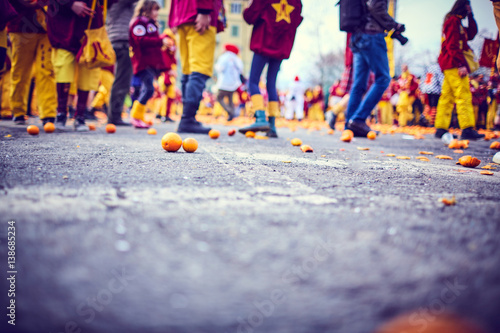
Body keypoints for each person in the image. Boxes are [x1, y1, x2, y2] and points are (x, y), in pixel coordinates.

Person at [238, 0, 303, 138]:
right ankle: (272, 125)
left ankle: (260, 118)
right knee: (271, 83)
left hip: (263, 42)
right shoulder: (297, 2)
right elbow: (296, 21)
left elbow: (250, 17)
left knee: (253, 81)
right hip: (281, 46)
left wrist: (248, 5)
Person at [344, 0, 403, 137]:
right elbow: (375, 6)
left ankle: (350, 125)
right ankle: (358, 120)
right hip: (372, 36)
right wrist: (394, 25)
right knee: (383, 78)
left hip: (358, 37)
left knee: (358, 84)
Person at [169, 0, 225, 134]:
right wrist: (204, 10)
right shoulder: (202, 11)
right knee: (200, 70)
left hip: (182, 15)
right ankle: (188, 119)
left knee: (188, 71)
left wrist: (173, 19)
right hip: (199, 13)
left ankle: (187, 118)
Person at [47, 0, 103, 131]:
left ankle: (80, 115)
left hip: (90, 28)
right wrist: (69, 4)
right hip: (63, 26)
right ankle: (61, 113)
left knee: (87, 72)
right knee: (63, 68)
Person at [434, 0, 484, 140]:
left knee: (447, 97)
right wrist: (461, 64)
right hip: (454, 64)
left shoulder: (457, 22)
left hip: (450, 64)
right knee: (463, 95)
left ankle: (441, 128)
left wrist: (470, 16)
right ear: (463, 6)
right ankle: (467, 129)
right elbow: (452, 45)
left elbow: (472, 33)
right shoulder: (453, 21)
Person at [8, 0, 58, 126]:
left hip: (47, 28)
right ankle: (18, 110)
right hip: (21, 26)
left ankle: (48, 113)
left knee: (47, 70)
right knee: (20, 71)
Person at [129, 0, 170, 129]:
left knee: (147, 89)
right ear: (146, 9)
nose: (157, 13)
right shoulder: (139, 22)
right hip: (143, 62)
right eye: (154, 10)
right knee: (148, 89)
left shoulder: (150, 24)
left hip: (150, 63)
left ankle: (139, 116)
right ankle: (135, 116)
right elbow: (140, 40)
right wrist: (160, 40)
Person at [106, 0, 137, 126]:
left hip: (117, 40)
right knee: (122, 80)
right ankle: (114, 116)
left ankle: (115, 115)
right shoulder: (119, 2)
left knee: (120, 79)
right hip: (122, 42)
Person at [215, 43, 243, 121]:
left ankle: (230, 111)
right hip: (234, 83)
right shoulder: (237, 58)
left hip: (224, 83)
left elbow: (220, 68)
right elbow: (241, 70)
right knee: (230, 99)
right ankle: (231, 115)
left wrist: (216, 66)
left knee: (219, 98)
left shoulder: (224, 57)